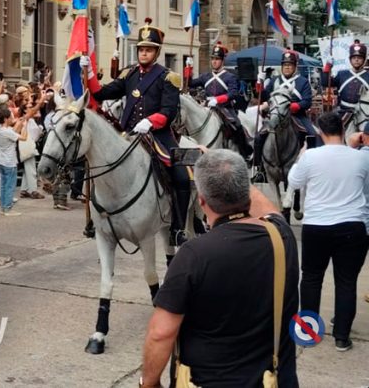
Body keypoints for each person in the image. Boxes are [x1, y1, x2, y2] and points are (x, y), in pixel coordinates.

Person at [140, 149, 298, 388]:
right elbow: (270, 211)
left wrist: (148, 383)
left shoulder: (192, 255)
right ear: (245, 188)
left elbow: (161, 333)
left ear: (201, 201)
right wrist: (227, 169)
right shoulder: (282, 235)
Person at [85, 19, 188, 245]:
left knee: (182, 177)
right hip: (130, 134)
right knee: (102, 165)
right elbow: (102, 93)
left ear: (157, 52)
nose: (144, 53)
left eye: (149, 49)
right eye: (141, 49)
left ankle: (178, 228)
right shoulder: (129, 74)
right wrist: (89, 72)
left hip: (158, 135)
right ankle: (98, 217)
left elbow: (169, 111)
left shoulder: (168, 77)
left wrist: (151, 121)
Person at [286, 110, 369, 351]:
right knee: (346, 282)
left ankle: (308, 330)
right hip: (352, 225)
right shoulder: (361, 157)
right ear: (344, 130)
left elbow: (294, 182)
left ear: (320, 132)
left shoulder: (311, 156)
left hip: (317, 225)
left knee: (311, 278)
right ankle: (341, 337)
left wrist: (301, 156)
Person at [188, 41, 253, 158]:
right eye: (213, 59)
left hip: (224, 107)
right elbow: (190, 83)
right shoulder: (205, 76)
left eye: (217, 59)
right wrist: (189, 68)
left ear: (222, 61)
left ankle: (245, 152)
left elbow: (233, 93)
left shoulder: (230, 76)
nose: (214, 61)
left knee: (237, 125)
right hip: (208, 106)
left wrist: (218, 100)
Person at [258, 49, 319, 151]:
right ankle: (257, 160)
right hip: (275, 114)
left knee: (312, 134)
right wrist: (260, 84)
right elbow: (265, 97)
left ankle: (310, 157)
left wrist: (296, 106)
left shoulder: (303, 81)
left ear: (295, 67)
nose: (287, 67)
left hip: (297, 115)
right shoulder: (275, 80)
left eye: (290, 65)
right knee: (259, 137)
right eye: (285, 64)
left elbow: (307, 101)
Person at [0, 107, 28, 216]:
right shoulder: (6, 131)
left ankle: (3, 207)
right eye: (10, 117)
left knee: (4, 185)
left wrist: (20, 122)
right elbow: (23, 138)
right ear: (5, 119)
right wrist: (25, 126)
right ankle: (8, 208)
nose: (11, 119)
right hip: (10, 162)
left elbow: (13, 132)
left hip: (3, 161)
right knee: (9, 186)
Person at [324, 39, 369, 115]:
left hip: (364, 114)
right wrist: (327, 67)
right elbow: (326, 83)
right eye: (354, 58)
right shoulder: (342, 74)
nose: (356, 60)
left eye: (359, 58)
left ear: (364, 60)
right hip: (343, 111)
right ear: (350, 60)